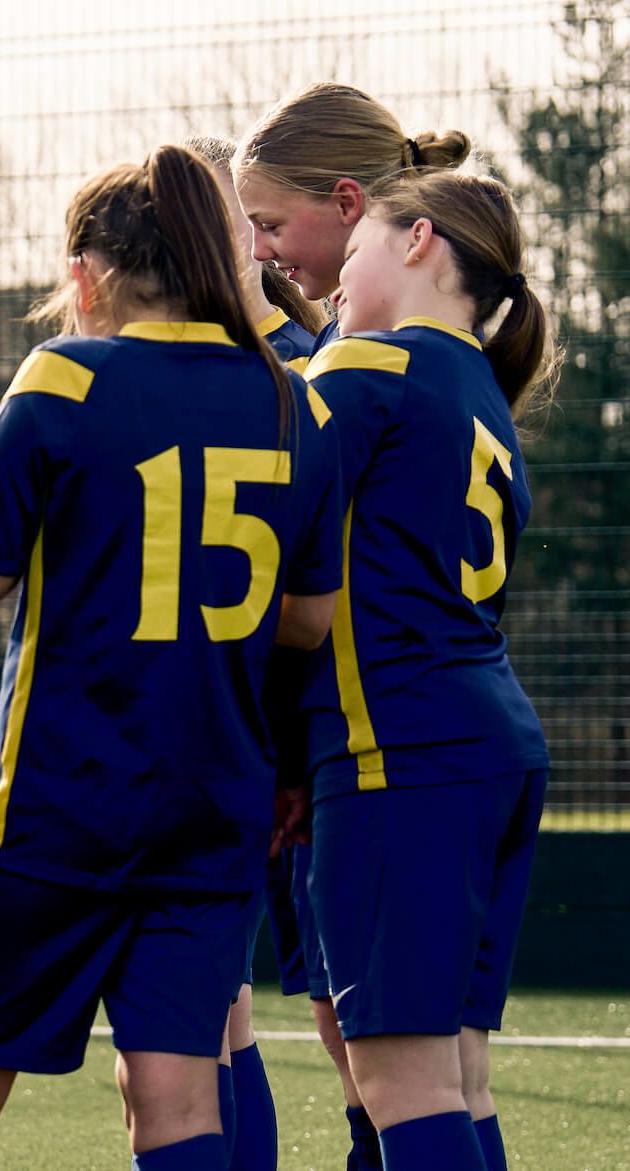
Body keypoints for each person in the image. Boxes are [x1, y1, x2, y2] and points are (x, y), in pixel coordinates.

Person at [0, 144, 340, 1171]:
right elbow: (310, 619)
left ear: (87, 274)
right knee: (177, 1096)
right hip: (210, 806)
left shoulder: (67, 374)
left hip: (64, 799)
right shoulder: (293, 398)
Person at [297, 167, 555, 1171]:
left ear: (415, 244)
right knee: (454, 1077)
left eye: (353, 248)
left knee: (401, 1083)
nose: (330, 281)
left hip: (401, 752)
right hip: (490, 745)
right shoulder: (482, 387)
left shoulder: (370, 367)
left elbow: (256, 470)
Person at [235, 84, 474, 1167]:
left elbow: (307, 441)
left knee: (390, 1057)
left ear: (347, 204)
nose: (255, 247)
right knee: (389, 1050)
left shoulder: (363, 367)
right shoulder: (439, 360)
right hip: (358, 741)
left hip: (378, 745)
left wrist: (259, 334)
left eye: (268, 226)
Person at [182, 132, 331, 1171]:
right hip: (250, 744)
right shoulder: (280, 359)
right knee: (222, 1011)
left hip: (270, 750)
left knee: (224, 1020)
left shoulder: (280, 371)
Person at [237, 83, 470, 346]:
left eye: (270, 225)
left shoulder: (367, 357)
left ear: (346, 203)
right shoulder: (446, 320)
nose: (258, 253)